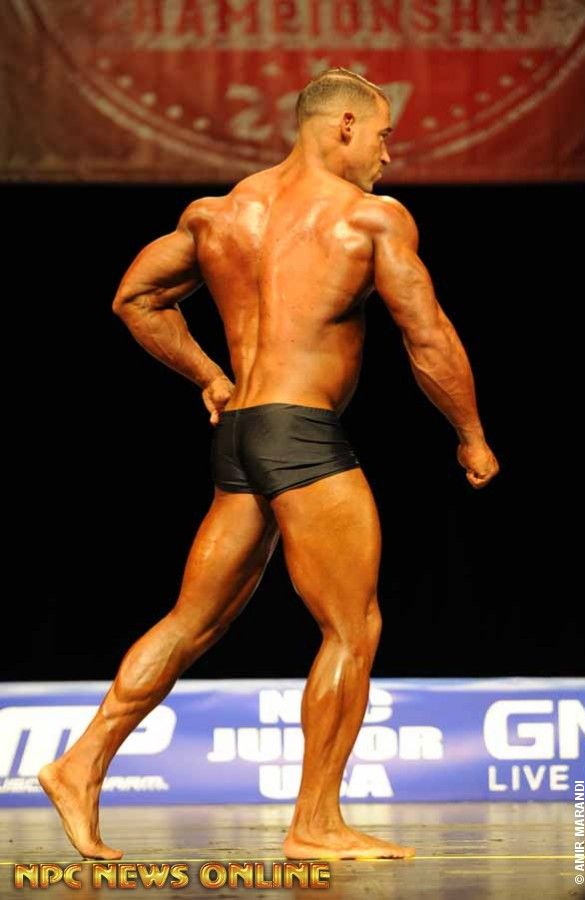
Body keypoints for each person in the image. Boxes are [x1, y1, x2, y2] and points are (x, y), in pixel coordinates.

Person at [39, 67, 499, 861]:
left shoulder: (219, 214)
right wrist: (471, 432)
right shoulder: (371, 218)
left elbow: (135, 299)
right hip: (302, 435)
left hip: (242, 433)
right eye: (383, 135)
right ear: (344, 126)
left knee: (192, 622)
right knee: (352, 628)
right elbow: (427, 337)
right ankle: (315, 822)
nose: (389, 154)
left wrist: (211, 376)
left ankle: (78, 765)